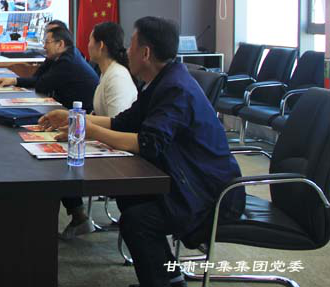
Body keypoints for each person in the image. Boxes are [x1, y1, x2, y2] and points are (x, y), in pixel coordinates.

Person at [39, 17, 245, 287]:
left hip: (209, 193)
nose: (127, 51)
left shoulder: (175, 89)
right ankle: (167, 276)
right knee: (131, 198)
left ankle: (164, 280)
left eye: (132, 46)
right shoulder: (161, 82)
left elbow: (148, 143)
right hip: (188, 181)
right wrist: (73, 118)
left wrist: (89, 130)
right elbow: (123, 122)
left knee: (138, 220)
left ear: (145, 53)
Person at [59, 22, 139, 239]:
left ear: (100, 45)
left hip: (119, 152)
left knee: (60, 164)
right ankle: (78, 215)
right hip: (106, 142)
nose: (87, 45)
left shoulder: (117, 77)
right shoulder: (106, 73)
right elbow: (101, 117)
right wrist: (73, 123)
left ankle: (78, 216)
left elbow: (118, 123)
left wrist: (82, 127)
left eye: (90, 40)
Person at [0, 25, 99, 109]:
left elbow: (42, 85)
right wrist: (49, 59)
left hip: (79, 113)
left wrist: (15, 81)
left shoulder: (67, 61)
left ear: (60, 44)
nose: (44, 47)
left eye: (47, 43)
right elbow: (37, 77)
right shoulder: (68, 53)